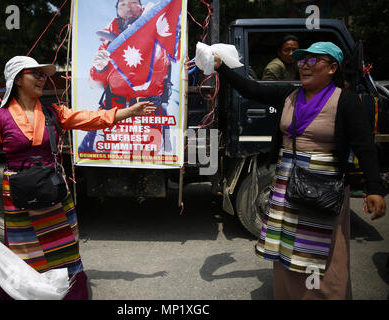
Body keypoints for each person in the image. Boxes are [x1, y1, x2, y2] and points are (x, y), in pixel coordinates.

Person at [0, 55, 155, 300]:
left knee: (65, 251)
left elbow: (90, 118)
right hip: (19, 202)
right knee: (24, 255)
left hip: (54, 197)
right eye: (36, 74)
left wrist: (128, 112)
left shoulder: (53, 113)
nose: (43, 78)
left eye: (44, 74)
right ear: (18, 79)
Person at [213, 42, 386, 299]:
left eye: (313, 61)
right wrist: (221, 68)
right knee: (288, 247)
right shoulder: (289, 95)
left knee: (320, 252)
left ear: (332, 68)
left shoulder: (346, 102)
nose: (304, 66)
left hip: (324, 190)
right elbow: (252, 89)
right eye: (302, 61)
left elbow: (364, 146)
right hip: (287, 185)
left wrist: (375, 188)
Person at [80, 0, 173, 154]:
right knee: (89, 154)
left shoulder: (160, 37)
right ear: (117, 11)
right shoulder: (107, 42)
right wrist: (100, 67)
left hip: (149, 112)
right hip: (113, 110)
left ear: (141, 8)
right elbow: (94, 82)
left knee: (156, 158)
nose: (128, 7)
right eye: (122, 4)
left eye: (133, 2)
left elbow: (163, 69)